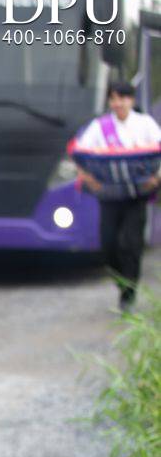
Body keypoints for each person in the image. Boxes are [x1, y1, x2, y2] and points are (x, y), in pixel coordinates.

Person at [75, 80, 161, 311]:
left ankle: (129, 293)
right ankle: (121, 284)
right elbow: (79, 154)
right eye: (114, 98)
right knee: (109, 245)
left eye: (123, 98)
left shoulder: (145, 124)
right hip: (109, 198)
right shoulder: (99, 126)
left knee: (131, 244)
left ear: (131, 100)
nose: (118, 103)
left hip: (136, 197)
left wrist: (156, 178)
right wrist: (90, 180)